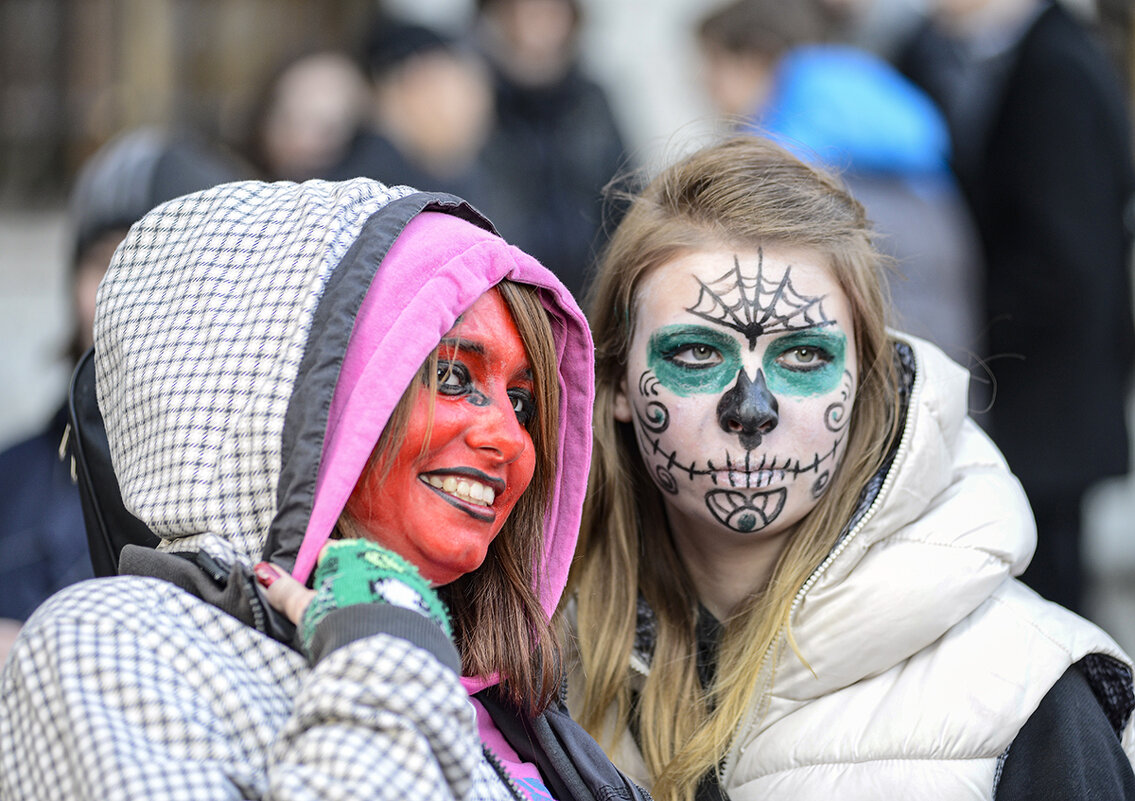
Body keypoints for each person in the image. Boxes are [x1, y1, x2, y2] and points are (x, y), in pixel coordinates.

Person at [0, 178, 649, 801]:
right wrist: (387, 656)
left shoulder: (511, 693)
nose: (509, 440)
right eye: (452, 376)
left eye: (521, 403)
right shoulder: (112, 646)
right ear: (289, 401)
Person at [567, 135, 1135, 801]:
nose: (751, 410)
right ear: (614, 385)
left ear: (864, 384)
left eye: (803, 355)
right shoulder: (545, 675)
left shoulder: (1024, 690)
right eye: (695, 352)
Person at [896, 0, 1135, 614]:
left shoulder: (1057, 67)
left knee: (1048, 587)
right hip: (1018, 378)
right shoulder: (936, 52)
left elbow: (1069, 251)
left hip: (1046, 384)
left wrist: (973, 332)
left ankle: (1070, 712)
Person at [0, 126, 240, 660]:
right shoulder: (11, 480)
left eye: (153, 265)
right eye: (105, 262)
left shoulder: (262, 494)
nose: (119, 297)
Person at [696, 0, 986, 377]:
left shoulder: (783, 152)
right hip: (943, 341)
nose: (706, 87)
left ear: (755, 59)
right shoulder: (863, 94)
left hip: (890, 352)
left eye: (713, 67)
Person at [472, 0, 629, 299]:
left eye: (551, 10)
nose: (539, 24)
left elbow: (625, 191)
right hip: (504, 292)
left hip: (590, 292)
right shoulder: (474, 97)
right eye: (525, 10)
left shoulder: (592, 100)